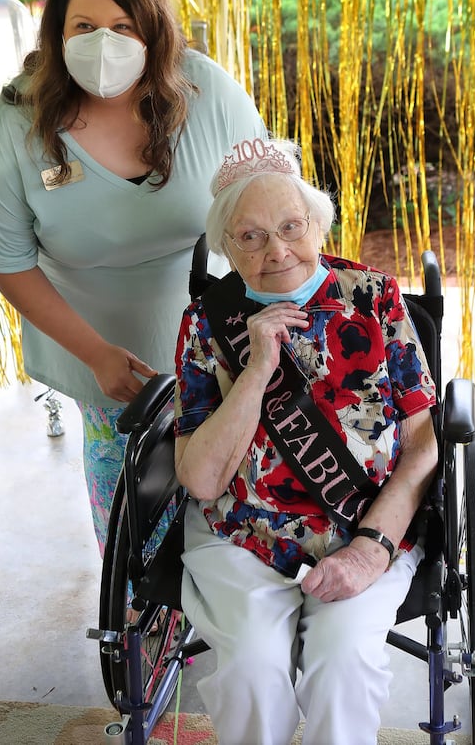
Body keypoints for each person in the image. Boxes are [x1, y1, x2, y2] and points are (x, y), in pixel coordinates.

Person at [0, 0, 266, 557]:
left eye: (123, 27)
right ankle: (142, 627)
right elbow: (7, 256)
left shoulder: (207, 89)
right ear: (57, 33)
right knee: (134, 502)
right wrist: (97, 354)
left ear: (151, 30)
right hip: (93, 340)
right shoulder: (21, 116)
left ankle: (233, 600)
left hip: (211, 321)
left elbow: (270, 202)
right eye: (83, 27)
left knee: (232, 486)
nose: (103, 43)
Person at [173, 137, 438, 745]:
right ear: (226, 247)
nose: (278, 249)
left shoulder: (375, 300)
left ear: (317, 223)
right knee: (250, 669)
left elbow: (425, 444)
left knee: (344, 664)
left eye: (292, 226)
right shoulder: (207, 321)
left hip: (366, 525)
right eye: (251, 236)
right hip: (242, 534)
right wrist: (258, 369)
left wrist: (373, 548)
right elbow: (203, 480)